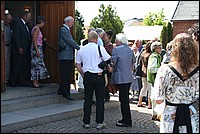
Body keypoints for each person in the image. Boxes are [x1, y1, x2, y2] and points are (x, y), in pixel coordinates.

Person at [153, 33, 199, 133]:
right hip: (192, 118)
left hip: (171, 118)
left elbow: (158, 99)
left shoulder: (164, 70)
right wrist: (191, 109)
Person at [76, 31, 110, 129]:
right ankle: (99, 122)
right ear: (96, 39)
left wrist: (83, 74)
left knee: (88, 100)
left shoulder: (81, 49)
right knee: (100, 100)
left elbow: (78, 65)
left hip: (87, 76)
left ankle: (86, 122)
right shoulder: (100, 48)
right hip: (99, 76)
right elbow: (107, 59)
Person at [108, 33, 136, 127]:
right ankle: (125, 118)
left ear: (119, 41)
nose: (115, 41)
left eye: (116, 40)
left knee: (123, 100)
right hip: (128, 77)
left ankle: (127, 120)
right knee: (124, 99)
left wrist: (109, 66)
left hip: (121, 77)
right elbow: (133, 62)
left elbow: (113, 62)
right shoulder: (130, 49)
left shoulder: (116, 49)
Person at [57, 16, 80, 100]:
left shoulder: (66, 29)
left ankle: (61, 89)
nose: (73, 24)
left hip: (67, 55)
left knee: (66, 73)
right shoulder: (64, 29)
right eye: (72, 22)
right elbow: (69, 40)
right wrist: (79, 48)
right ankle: (66, 92)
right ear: (67, 22)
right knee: (65, 74)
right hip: (65, 56)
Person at [9, 11, 31, 87]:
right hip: (19, 49)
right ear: (25, 16)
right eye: (29, 17)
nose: (30, 18)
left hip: (25, 49)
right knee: (17, 65)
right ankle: (12, 81)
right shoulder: (18, 23)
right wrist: (19, 47)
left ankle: (21, 81)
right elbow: (16, 36)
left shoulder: (25, 25)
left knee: (22, 66)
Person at [30, 16, 50, 88]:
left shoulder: (36, 29)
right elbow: (34, 40)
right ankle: (35, 82)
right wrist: (37, 50)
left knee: (38, 65)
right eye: (43, 23)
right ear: (41, 22)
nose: (43, 24)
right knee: (36, 65)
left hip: (38, 47)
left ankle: (36, 81)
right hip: (37, 48)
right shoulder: (36, 29)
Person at [147, 41, 162, 121]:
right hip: (154, 79)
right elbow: (152, 69)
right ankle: (155, 114)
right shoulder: (154, 57)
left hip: (154, 79)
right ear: (155, 49)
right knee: (155, 97)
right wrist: (161, 69)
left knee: (155, 97)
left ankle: (156, 114)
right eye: (159, 47)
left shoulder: (156, 56)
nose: (161, 49)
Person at [137, 41, 152, 108]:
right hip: (149, 73)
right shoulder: (151, 54)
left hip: (143, 72)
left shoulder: (143, 53)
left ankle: (139, 102)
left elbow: (139, 63)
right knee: (150, 88)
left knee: (144, 88)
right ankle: (149, 104)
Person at [102, 29, 115, 102]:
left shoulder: (109, 46)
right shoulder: (105, 45)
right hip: (106, 65)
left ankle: (106, 95)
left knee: (107, 81)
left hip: (107, 66)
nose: (103, 37)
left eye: (105, 36)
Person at [4, 13, 12, 84]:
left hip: (9, 46)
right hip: (4, 46)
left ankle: (6, 79)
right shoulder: (2, 26)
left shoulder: (9, 26)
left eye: (10, 20)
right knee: (4, 62)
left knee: (8, 63)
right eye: (8, 20)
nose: (9, 21)